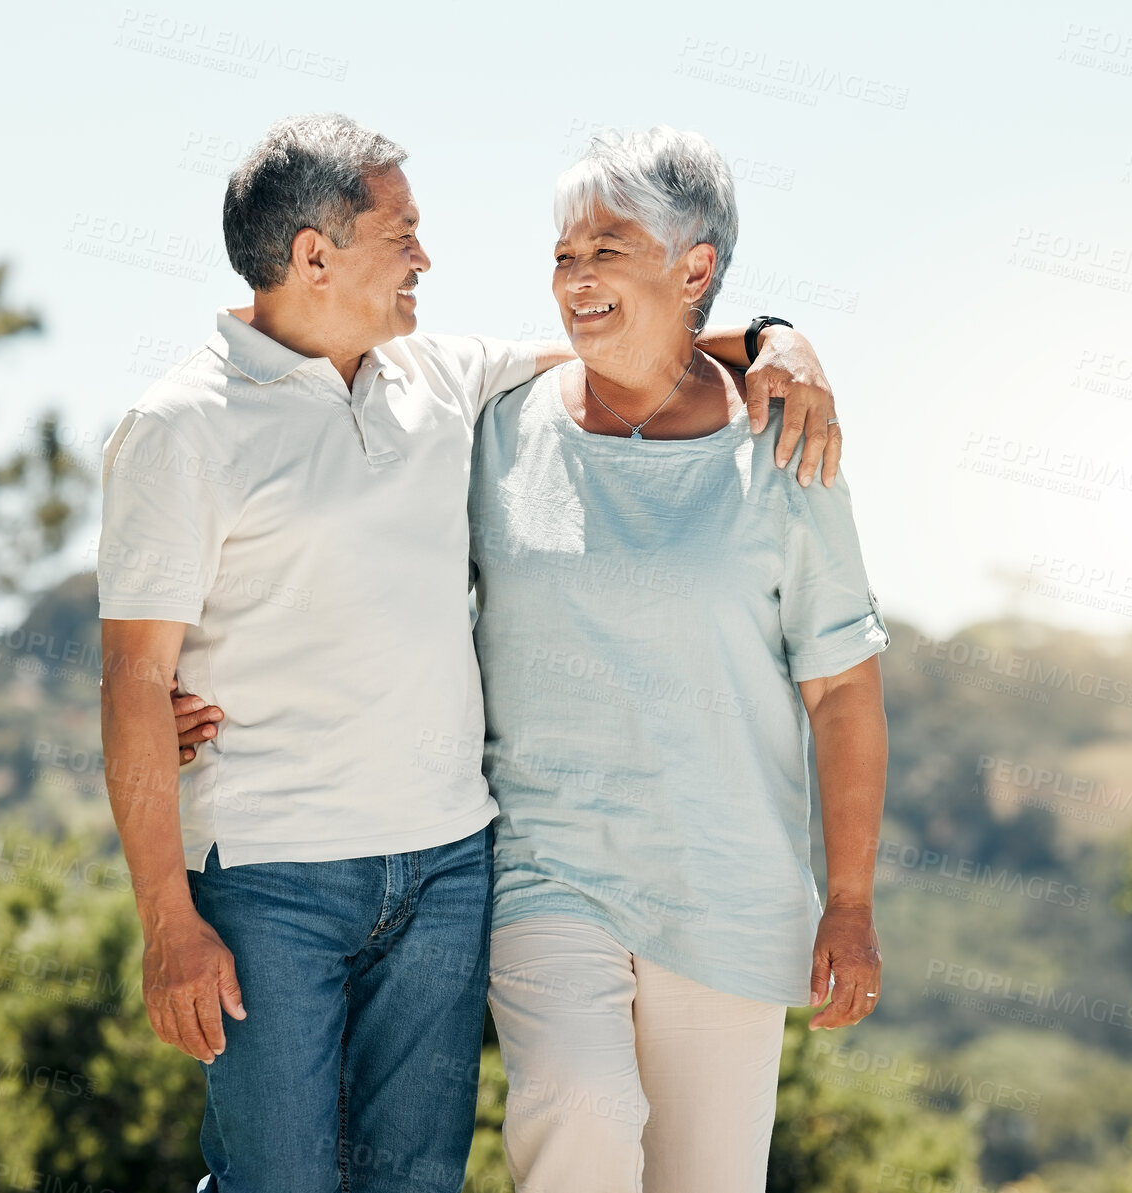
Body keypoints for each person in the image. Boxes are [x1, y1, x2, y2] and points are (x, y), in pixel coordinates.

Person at [102, 111, 841, 1193]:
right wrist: (168, 924)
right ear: (314, 255)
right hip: (269, 878)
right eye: (400, 233)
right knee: (280, 1177)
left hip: (446, 867)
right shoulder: (179, 425)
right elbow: (129, 680)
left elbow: (634, 338)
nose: (425, 258)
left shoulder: (441, 378)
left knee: (411, 1178)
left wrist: (780, 336)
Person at [465, 125, 891, 1193]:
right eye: (563, 253)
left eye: (607, 247)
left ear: (693, 266)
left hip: (727, 886)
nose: (574, 276)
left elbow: (839, 687)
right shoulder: (498, 428)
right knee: (581, 1114)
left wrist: (847, 900)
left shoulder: (786, 443)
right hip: (545, 870)